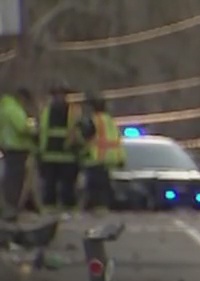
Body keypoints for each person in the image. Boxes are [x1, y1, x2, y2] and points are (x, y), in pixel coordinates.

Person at [37, 81, 84, 214]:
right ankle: (49, 209)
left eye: (62, 94)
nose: (59, 97)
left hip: (68, 155)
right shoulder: (45, 110)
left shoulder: (74, 111)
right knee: (49, 185)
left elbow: (78, 130)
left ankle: (68, 209)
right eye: (56, 95)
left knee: (67, 186)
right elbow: (41, 130)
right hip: (49, 155)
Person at [79, 92, 125, 212]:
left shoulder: (94, 120)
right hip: (110, 160)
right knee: (104, 187)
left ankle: (97, 209)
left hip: (97, 159)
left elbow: (87, 136)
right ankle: (103, 207)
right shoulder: (109, 120)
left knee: (95, 189)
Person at [0, 87, 37, 220]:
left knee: (9, 178)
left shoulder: (3, 108)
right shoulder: (14, 109)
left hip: (7, 147)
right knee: (15, 180)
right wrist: (33, 125)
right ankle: (12, 208)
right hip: (17, 148)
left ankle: (9, 207)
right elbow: (22, 126)